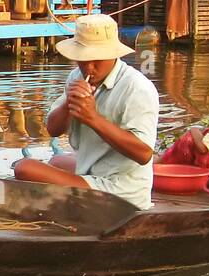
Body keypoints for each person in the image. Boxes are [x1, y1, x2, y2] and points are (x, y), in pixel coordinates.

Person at [13, 13, 159, 210]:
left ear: (113, 54)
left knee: (24, 168)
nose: (89, 67)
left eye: (96, 59)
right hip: (95, 171)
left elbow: (144, 154)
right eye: (82, 59)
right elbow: (53, 130)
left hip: (122, 191)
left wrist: (93, 119)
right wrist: (68, 106)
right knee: (56, 160)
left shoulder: (137, 88)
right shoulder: (77, 76)